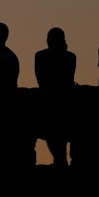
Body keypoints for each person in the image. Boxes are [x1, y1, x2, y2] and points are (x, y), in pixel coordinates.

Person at [35, 27, 76, 167]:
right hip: (63, 102)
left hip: (49, 102)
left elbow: (41, 80)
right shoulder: (70, 56)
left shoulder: (40, 56)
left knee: (54, 136)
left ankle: (60, 163)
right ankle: (61, 163)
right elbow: (69, 80)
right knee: (60, 138)